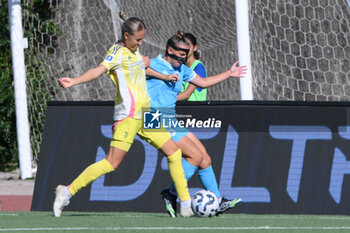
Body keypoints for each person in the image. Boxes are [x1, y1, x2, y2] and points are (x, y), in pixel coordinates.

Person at [53, 17, 194, 218]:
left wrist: (163, 76)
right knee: (111, 163)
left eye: (142, 39)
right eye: (138, 39)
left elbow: (142, 68)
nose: (141, 43)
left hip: (147, 113)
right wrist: (74, 81)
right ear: (126, 36)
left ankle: (186, 205)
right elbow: (99, 70)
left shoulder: (134, 50)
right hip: (128, 115)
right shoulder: (117, 52)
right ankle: (66, 191)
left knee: (174, 152)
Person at [145, 31, 246, 217]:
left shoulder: (181, 69)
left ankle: (216, 200)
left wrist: (229, 74)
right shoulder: (153, 63)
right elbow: (135, 70)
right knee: (195, 157)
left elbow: (204, 82)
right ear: (170, 50)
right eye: (181, 54)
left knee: (205, 158)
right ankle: (171, 192)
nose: (184, 59)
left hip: (169, 118)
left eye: (186, 55)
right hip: (154, 117)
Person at [178, 33, 207, 101]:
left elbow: (186, 95)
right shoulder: (180, 67)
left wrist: (166, 99)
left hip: (195, 110)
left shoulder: (199, 67)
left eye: (188, 45)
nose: (185, 49)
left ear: (195, 47)